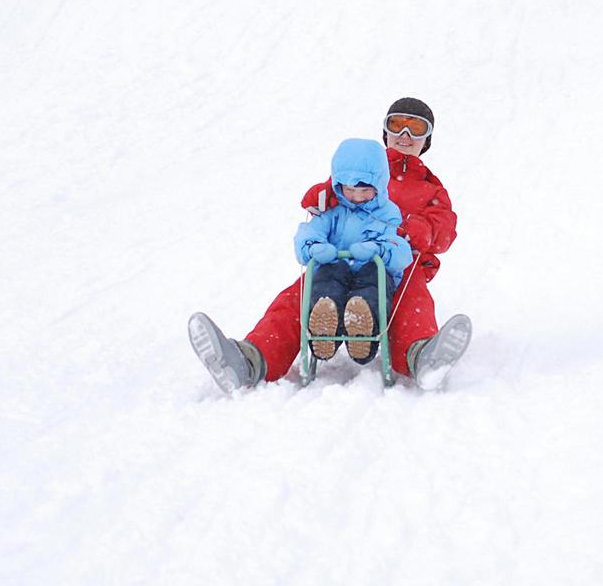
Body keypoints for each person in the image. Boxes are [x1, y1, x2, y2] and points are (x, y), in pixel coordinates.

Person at [189, 96, 471, 392]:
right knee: (299, 295)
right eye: (397, 125)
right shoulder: (360, 169)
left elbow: (445, 229)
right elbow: (329, 191)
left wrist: (414, 229)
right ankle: (250, 359)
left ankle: (422, 356)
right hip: (339, 258)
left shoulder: (430, 188)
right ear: (385, 132)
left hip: (393, 265)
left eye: (416, 128)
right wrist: (321, 197)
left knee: (412, 301)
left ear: (427, 140)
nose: (405, 135)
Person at [293, 138, 412, 364]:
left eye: (365, 190)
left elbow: (401, 249)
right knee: (328, 278)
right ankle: (324, 327)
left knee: (371, 284)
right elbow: (309, 232)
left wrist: (378, 249)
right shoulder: (333, 210)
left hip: (371, 271)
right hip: (337, 268)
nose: (357, 197)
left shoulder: (387, 213)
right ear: (338, 186)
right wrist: (314, 247)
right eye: (349, 190)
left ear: (379, 185)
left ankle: (363, 328)